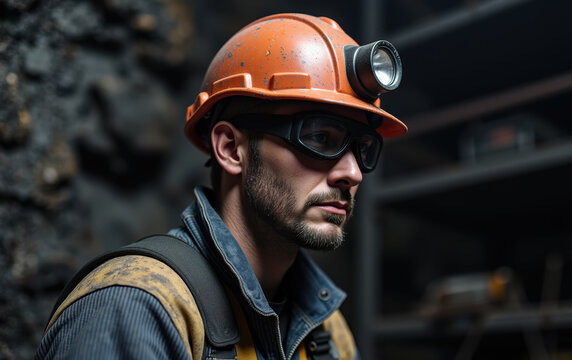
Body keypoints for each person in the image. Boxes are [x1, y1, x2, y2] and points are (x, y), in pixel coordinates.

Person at [36, 13, 406, 360]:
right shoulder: (135, 309)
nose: (353, 173)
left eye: (363, 149)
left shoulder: (327, 329)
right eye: (321, 137)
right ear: (231, 149)